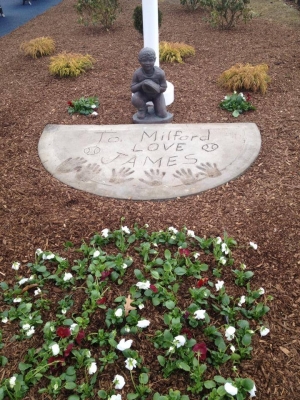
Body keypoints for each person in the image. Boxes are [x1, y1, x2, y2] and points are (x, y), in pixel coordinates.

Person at [131, 47, 168, 119]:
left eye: (150, 60)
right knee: (135, 98)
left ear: (154, 60)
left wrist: (155, 87)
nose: (147, 63)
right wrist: (142, 83)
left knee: (162, 115)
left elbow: (164, 87)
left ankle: (158, 108)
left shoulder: (160, 73)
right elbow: (132, 88)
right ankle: (143, 109)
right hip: (143, 94)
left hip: (157, 95)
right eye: (144, 60)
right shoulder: (137, 73)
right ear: (139, 61)